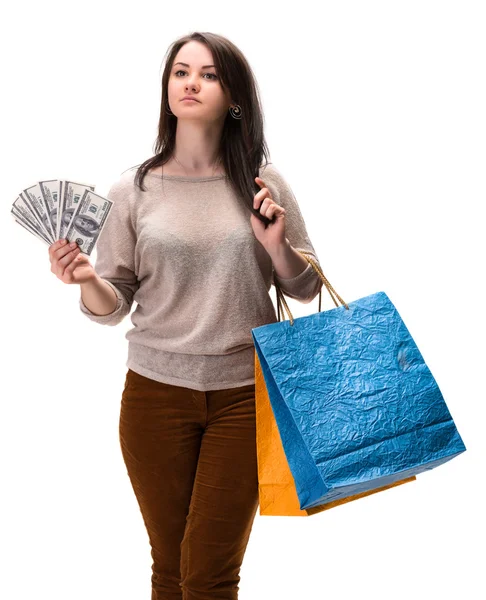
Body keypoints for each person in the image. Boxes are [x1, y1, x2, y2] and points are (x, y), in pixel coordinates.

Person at [48, 31, 323, 600]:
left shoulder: (264, 185)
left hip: (245, 397)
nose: (191, 82)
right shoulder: (134, 189)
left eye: (209, 74)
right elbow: (112, 305)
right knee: (170, 570)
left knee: (207, 577)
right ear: (167, 88)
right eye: (180, 72)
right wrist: (87, 279)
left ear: (235, 96)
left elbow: (306, 287)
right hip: (154, 397)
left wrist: (276, 247)